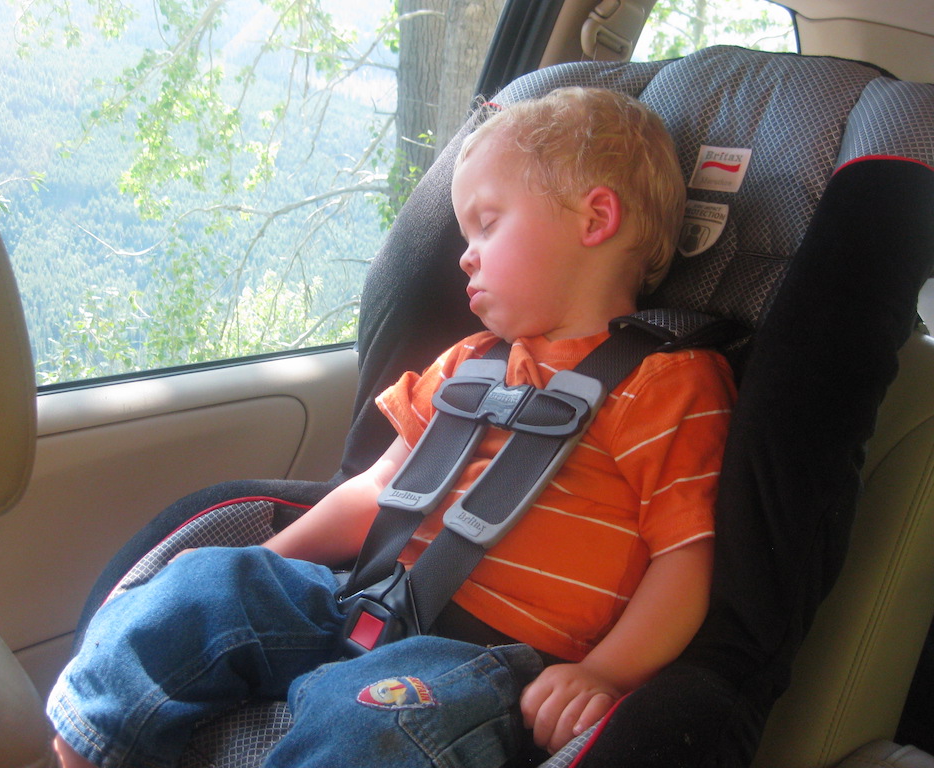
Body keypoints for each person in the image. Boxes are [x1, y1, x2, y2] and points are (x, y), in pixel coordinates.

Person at [48, 86, 737, 768]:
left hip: (480, 665)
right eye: (465, 235)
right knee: (200, 587)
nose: (465, 255)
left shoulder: (667, 383)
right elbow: (379, 487)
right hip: (364, 598)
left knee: (369, 731)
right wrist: (262, 570)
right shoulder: (467, 364)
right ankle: (90, 746)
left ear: (596, 219)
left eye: (488, 224)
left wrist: (606, 674)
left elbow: (684, 561)